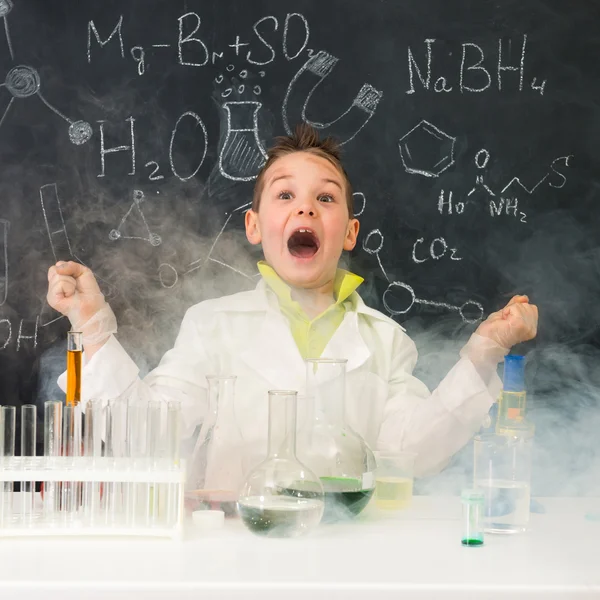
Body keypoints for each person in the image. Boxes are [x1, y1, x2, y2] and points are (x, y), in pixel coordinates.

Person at [46, 124, 538, 490]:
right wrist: (92, 327)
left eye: (325, 198)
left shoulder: (386, 341)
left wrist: (484, 353)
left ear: (348, 232)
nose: (305, 208)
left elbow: (413, 454)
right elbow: (147, 440)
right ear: (254, 226)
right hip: (234, 554)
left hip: (348, 561)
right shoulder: (211, 325)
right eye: (285, 194)